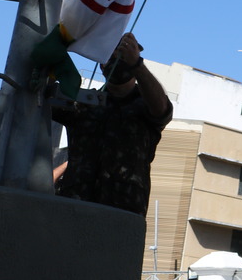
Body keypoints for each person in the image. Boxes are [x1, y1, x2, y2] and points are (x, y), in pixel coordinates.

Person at [52, 33, 172, 215]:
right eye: (110, 54)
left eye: (122, 55)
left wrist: (138, 66)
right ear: (101, 63)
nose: (116, 59)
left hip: (122, 213)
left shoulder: (144, 106)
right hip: (73, 209)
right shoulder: (85, 103)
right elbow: (40, 95)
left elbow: (162, 110)